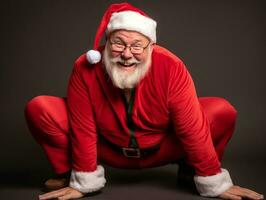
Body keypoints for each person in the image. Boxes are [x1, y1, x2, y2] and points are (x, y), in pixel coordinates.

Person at [24, 3, 264, 200]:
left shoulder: (170, 66)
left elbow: (191, 125)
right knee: (41, 108)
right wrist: (84, 179)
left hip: (163, 148)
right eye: (118, 43)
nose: (127, 54)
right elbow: (83, 125)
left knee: (221, 110)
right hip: (107, 148)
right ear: (106, 43)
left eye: (137, 45)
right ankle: (69, 175)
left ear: (151, 46)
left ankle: (191, 170)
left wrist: (213, 179)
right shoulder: (84, 67)